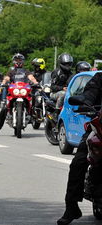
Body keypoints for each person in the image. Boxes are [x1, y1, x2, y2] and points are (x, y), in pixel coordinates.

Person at [57, 72, 102, 225]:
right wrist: (84, 101)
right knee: (78, 162)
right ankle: (71, 207)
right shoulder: (99, 79)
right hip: (99, 129)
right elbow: (88, 95)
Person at [0, 53, 39, 136]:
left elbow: (31, 77)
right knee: (4, 109)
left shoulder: (26, 71)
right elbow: (6, 78)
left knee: (33, 100)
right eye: (17, 60)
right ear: (14, 61)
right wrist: (3, 83)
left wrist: (35, 82)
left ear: (23, 61)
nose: (18, 61)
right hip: (13, 92)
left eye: (20, 60)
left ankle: (33, 116)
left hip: (24, 91)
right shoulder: (11, 71)